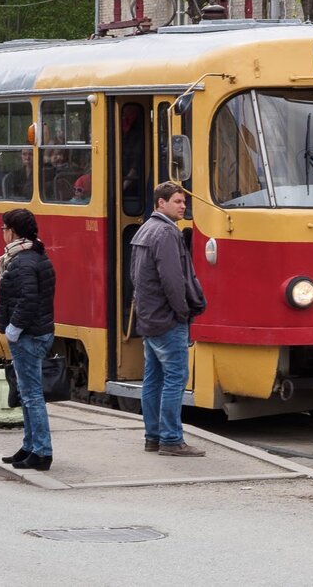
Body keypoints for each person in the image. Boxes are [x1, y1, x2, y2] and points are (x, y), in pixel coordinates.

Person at [129, 182, 207, 457]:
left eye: (183, 201)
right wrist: (182, 312)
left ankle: (153, 437)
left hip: (149, 318)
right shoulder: (165, 232)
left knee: (153, 380)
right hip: (167, 319)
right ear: (161, 203)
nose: (183, 206)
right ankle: (172, 439)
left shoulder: (145, 229)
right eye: (177, 201)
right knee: (175, 378)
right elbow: (173, 280)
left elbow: (134, 277)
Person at [0, 208, 56, 471]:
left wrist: (14, 327)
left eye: (4, 229)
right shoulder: (35, 256)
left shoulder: (21, 262)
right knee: (27, 392)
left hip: (28, 335)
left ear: (13, 231)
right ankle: (30, 445)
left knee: (31, 395)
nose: (3, 234)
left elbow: (27, 300)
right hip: (37, 332)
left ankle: (41, 451)